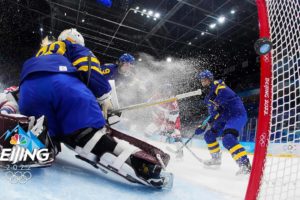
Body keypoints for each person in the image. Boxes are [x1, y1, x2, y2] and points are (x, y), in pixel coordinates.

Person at [17, 30, 170, 187]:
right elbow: (89, 68)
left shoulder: (42, 53)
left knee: (52, 128)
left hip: (29, 89)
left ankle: (44, 141)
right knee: (83, 131)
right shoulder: (73, 46)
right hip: (62, 85)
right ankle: (139, 164)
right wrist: (104, 97)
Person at [194, 70, 251, 175]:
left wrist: (206, 122)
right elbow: (213, 114)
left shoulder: (220, 87)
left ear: (210, 79)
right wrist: (203, 125)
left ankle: (244, 164)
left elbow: (220, 105)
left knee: (228, 138)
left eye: (205, 80)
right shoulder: (209, 96)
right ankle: (216, 160)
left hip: (236, 115)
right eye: (201, 80)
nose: (203, 82)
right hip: (224, 118)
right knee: (209, 135)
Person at [145, 84, 183, 159]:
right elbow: (148, 103)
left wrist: (170, 125)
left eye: (168, 92)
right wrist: (149, 105)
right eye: (165, 91)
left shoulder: (173, 100)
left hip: (172, 119)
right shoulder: (157, 95)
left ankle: (180, 151)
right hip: (160, 118)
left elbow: (175, 114)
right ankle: (143, 146)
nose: (167, 93)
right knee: (148, 131)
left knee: (175, 133)